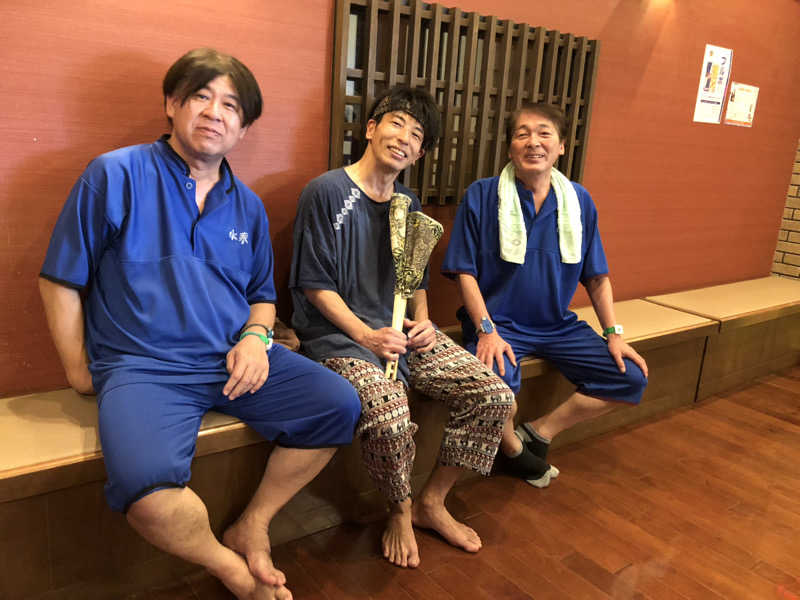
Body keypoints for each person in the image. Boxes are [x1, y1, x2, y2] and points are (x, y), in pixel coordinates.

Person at [38, 48, 360, 600]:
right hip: (144, 368)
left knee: (339, 406)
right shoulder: (115, 174)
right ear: (172, 104)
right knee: (147, 493)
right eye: (202, 97)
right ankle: (229, 568)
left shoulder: (248, 206)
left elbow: (262, 297)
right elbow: (60, 279)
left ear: (244, 127)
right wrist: (77, 370)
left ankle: (253, 523)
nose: (215, 112)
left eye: (231, 105)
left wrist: (256, 338)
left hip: (233, 360)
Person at [290, 86, 547, 570]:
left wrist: (425, 323)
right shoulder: (326, 192)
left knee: (494, 395)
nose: (404, 138)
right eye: (396, 123)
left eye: (416, 134)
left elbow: (416, 280)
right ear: (371, 128)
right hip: (338, 339)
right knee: (389, 415)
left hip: (403, 337)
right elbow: (313, 285)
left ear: (421, 152)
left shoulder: (408, 202)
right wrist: (366, 335)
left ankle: (433, 501)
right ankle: (400, 509)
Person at [442, 102, 649, 473]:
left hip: (556, 325)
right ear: (510, 147)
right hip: (499, 325)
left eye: (544, 133)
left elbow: (597, 277)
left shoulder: (579, 201)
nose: (533, 142)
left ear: (562, 146)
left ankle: (539, 431)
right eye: (522, 134)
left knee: (630, 378)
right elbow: (464, 272)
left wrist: (614, 334)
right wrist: (486, 330)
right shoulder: (483, 195)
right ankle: (514, 453)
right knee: (495, 392)